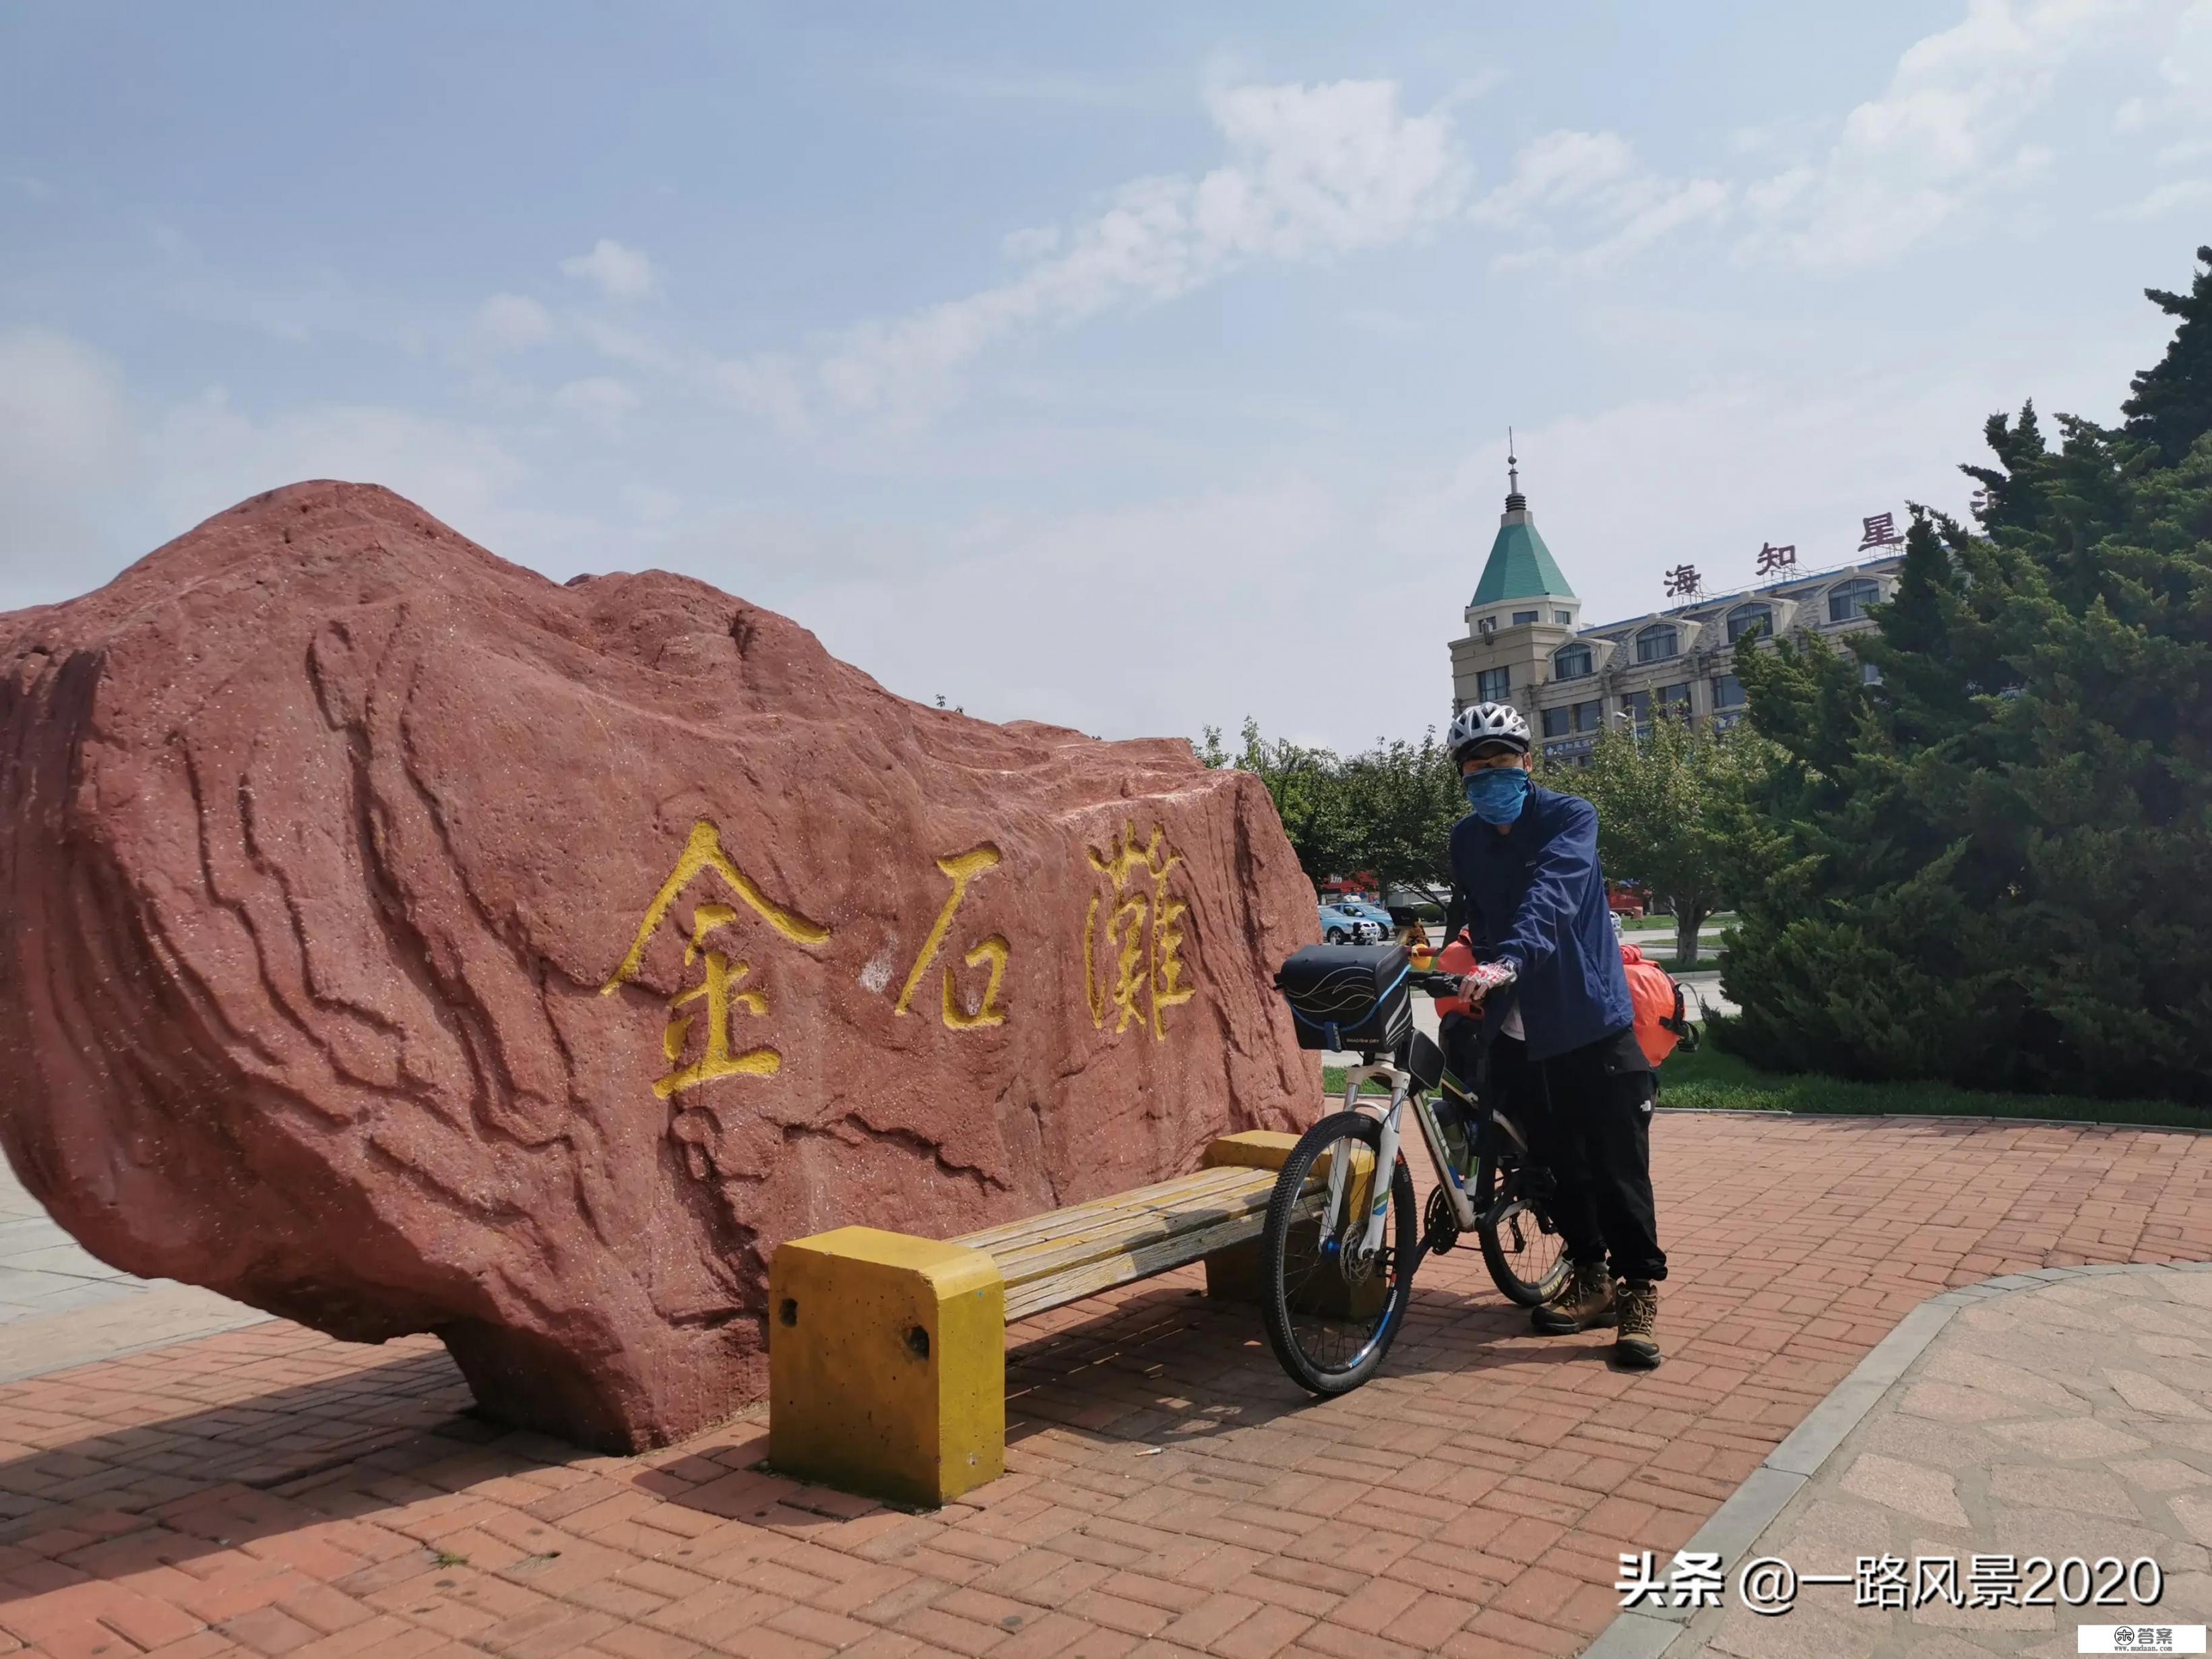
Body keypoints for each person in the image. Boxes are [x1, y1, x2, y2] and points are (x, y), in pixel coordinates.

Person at [1442, 700, 1666, 1369]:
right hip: (1517, 1028)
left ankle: (1637, 1292)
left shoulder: (1570, 817)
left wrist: (1507, 959)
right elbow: (1473, 914)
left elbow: (1553, 894)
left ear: (1527, 762)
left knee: (1616, 1165)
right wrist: (1458, 966)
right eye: (1475, 770)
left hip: (1586, 1017)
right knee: (1551, 1165)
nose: (1489, 779)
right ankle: (1590, 1277)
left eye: (1501, 763)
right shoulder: (1466, 838)